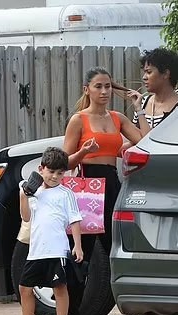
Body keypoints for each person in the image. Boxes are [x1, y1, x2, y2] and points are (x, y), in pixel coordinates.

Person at [119, 48, 178, 315]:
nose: (144, 77)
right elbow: (140, 141)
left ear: (166, 73)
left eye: (149, 71)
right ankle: (137, 313)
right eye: (143, 71)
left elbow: (152, 140)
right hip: (146, 180)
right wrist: (140, 110)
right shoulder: (145, 104)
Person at [14, 138, 98, 315]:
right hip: (36, 250)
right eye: (51, 172)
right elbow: (26, 217)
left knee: (60, 287)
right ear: (41, 169)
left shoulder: (65, 193)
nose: (54, 177)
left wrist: (77, 245)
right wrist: (23, 196)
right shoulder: (32, 192)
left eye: (60, 173)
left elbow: (74, 220)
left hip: (57, 249)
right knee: (24, 287)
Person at [63, 67, 143, 261]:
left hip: (111, 183)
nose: (104, 91)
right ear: (86, 89)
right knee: (82, 249)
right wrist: (84, 152)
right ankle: (71, 290)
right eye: (98, 86)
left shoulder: (117, 118)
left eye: (107, 86)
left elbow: (144, 139)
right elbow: (63, 162)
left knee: (114, 244)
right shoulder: (79, 119)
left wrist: (139, 109)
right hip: (87, 184)